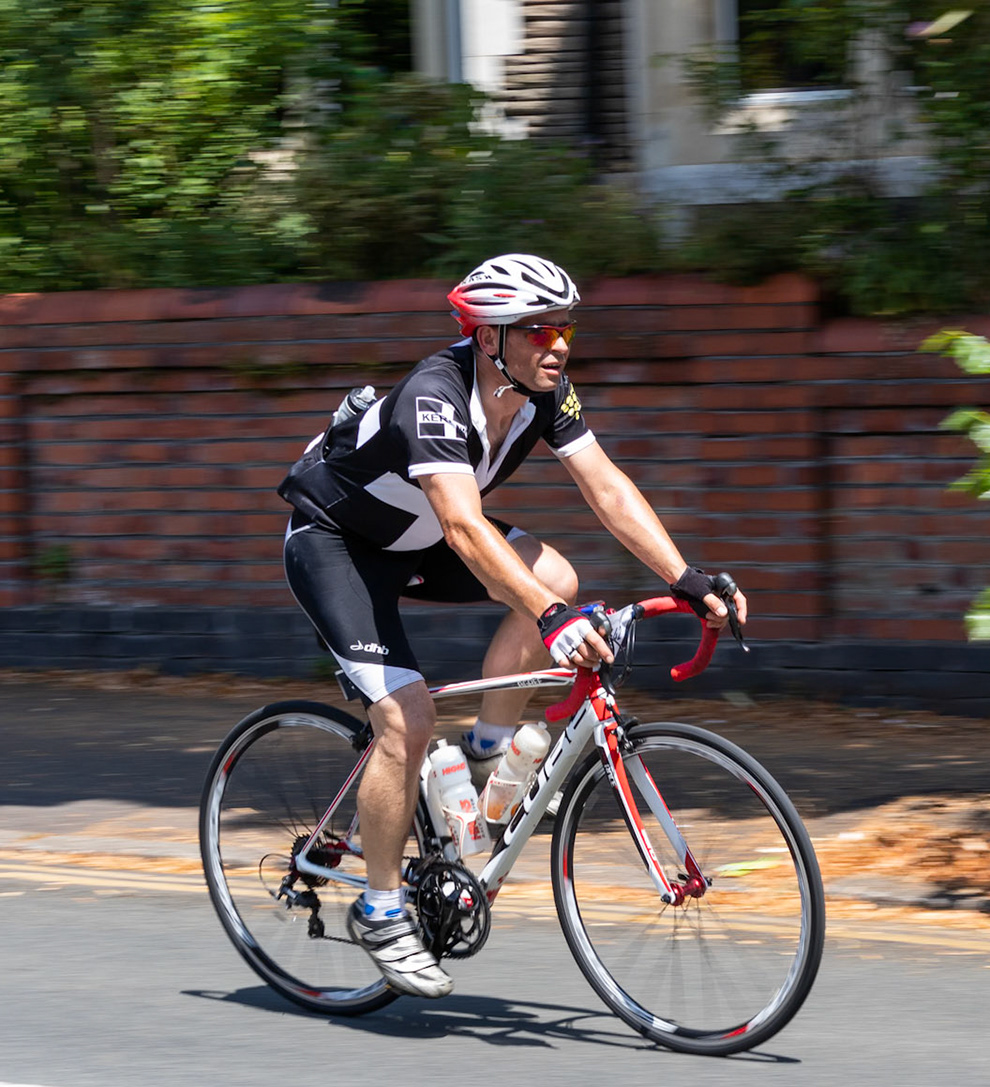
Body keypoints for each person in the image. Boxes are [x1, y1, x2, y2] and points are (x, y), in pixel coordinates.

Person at [277, 253, 748, 999]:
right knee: (405, 719)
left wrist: (683, 577)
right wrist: (552, 620)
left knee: (555, 574)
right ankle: (379, 905)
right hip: (339, 545)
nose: (558, 345)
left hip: (420, 540)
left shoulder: (543, 394)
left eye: (564, 329)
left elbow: (607, 488)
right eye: (538, 331)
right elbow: (465, 526)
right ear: (490, 337)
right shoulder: (435, 396)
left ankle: (490, 758)